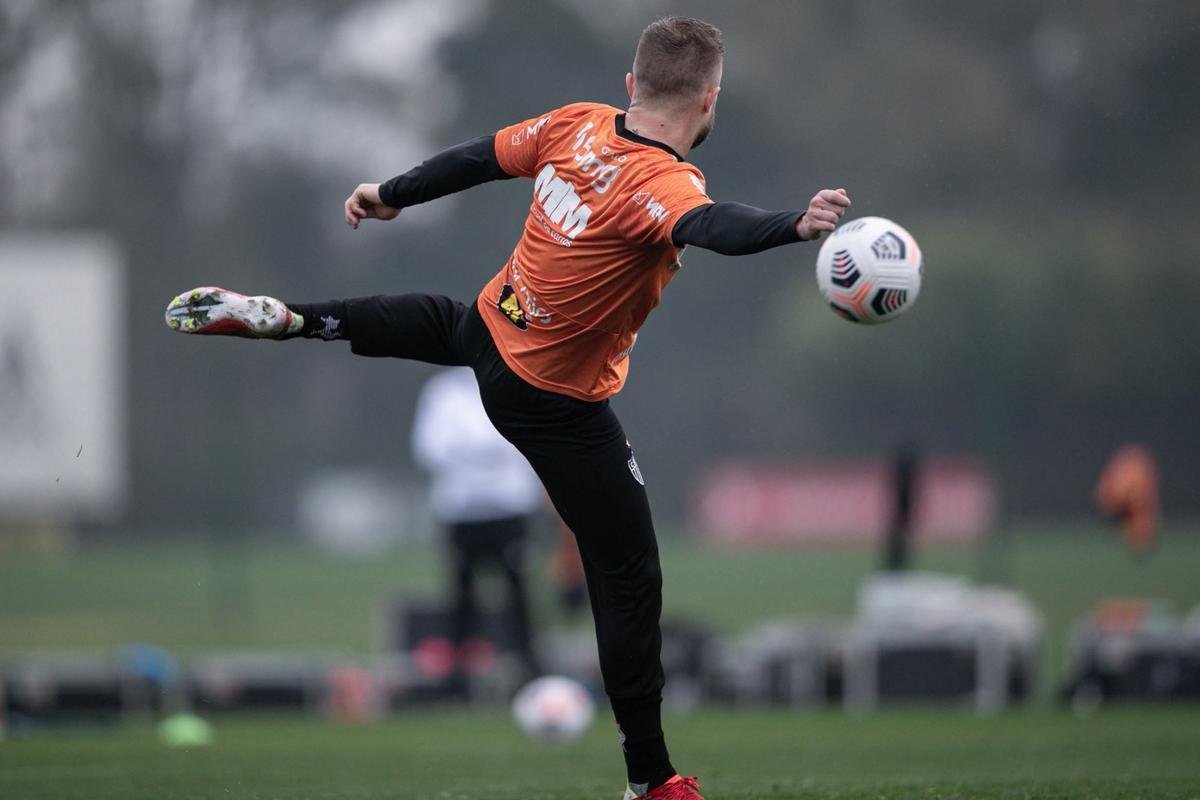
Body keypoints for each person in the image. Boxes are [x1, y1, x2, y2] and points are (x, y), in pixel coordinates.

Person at [165, 16, 850, 799]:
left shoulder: (576, 124)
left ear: (631, 86)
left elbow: (476, 159)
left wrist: (390, 194)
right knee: (628, 575)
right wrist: (793, 226)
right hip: (552, 399)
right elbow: (714, 226)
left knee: (439, 319)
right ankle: (651, 781)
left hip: (492, 331)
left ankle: (295, 317)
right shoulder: (666, 183)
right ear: (710, 100)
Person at [411, 367, 544, 684]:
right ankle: (459, 672)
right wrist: (485, 452)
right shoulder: (442, 393)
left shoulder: (519, 380)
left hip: (509, 507)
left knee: (519, 590)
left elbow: (529, 437)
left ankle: (528, 665)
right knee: (461, 592)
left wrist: (470, 452)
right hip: (461, 510)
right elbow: (429, 449)